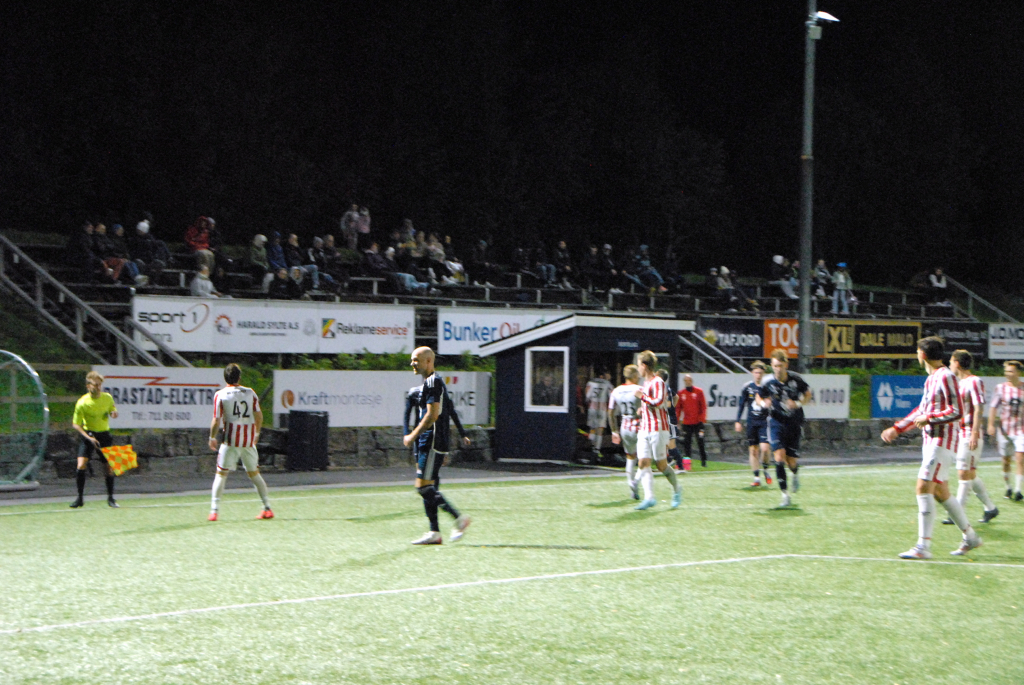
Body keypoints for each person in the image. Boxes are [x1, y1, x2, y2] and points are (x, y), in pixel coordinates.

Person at [882, 336, 982, 559]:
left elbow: (957, 411)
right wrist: (897, 428)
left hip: (942, 441)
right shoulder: (932, 379)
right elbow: (921, 411)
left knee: (923, 487)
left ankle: (923, 547)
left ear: (923, 354)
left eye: (918, 351)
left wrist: (930, 418)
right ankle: (971, 537)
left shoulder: (946, 376)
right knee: (940, 492)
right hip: (931, 441)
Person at [403, 347, 471, 544]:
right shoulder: (429, 383)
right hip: (428, 442)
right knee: (430, 487)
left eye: (416, 360)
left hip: (432, 442)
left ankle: (459, 518)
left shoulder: (434, 382)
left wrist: (412, 435)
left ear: (428, 361)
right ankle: (434, 532)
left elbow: (432, 415)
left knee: (423, 487)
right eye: (412, 360)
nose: (412, 363)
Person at [207, 363, 273, 521]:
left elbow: (216, 419)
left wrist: (212, 437)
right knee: (254, 474)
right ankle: (267, 508)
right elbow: (259, 416)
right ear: (239, 377)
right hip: (248, 441)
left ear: (225, 378)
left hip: (230, 441)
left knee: (221, 474)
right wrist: (257, 433)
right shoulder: (250, 392)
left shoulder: (221, 395)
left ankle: (214, 511)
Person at [942, 350, 998, 524]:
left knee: (963, 472)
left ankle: (956, 513)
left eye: (951, 361)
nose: (949, 365)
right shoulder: (959, 384)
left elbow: (979, 407)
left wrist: (974, 432)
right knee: (970, 474)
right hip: (960, 433)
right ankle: (990, 508)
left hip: (970, 433)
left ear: (957, 363)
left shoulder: (974, 381)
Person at [760, 349, 811, 507]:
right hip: (776, 422)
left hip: (794, 423)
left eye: (780, 366)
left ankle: (795, 474)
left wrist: (797, 403)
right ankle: (785, 495)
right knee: (779, 458)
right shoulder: (768, 382)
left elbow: (808, 394)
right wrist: (763, 403)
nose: (778, 369)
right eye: (775, 366)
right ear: (771, 365)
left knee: (791, 461)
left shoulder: (795, 379)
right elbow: (759, 396)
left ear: (786, 365)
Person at [633, 350, 681, 510]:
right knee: (643, 462)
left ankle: (677, 489)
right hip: (644, 428)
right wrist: (642, 409)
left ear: (644, 365)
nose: (638, 368)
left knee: (661, 465)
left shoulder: (658, 382)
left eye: (639, 365)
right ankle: (649, 498)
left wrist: (642, 397)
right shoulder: (645, 384)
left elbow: (659, 402)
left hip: (658, 428)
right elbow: (650, 404)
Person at [70, 371, 120, 508]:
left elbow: (112, 409)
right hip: (89, 435)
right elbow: (76, 424)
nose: (98, 387)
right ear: (88, 386)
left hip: (104, 435)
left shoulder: (107, 398)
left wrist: (113, 413)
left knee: (108, 467)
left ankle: (111, 498)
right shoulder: (82, 402)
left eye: (99, 385)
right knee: (81, 465)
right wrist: (89, 437)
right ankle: (79, 498)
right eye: (95, 385)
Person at [987, 359, 1024, 501]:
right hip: (1004, 430)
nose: (1007, 373)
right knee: (1006, 461)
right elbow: (993, 407)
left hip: (1021, 430)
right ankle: (1008, 487)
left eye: (1011, 371)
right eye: (1006, 371)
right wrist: (991, 425)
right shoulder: (1000, 388)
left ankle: (1018, 490)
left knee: (1020, 458)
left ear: (1018, 373)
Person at [735, 360, 773, 487]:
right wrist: (737, 421)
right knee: (753, 450)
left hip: (764, 422)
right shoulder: (747, 387)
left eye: (760, 373)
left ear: (763, 374)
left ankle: (766, 468)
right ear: (752, 373)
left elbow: (770, 404)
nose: (758, 375)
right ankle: (756, 478)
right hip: (752, 422)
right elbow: (742, 404)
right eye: (756, 372)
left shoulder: (768, 387)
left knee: (765, 449)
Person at [609, 365, 642, 499]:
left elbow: (610, 412)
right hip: (638, 425)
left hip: (625, 426)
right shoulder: (639, 389)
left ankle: (631, 486)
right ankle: (636, 482)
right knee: (645, 458)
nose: (639, 377)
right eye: (637, 374)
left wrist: (614, 430)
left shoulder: (616, 391)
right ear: (633, 375)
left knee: (630, 457)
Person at [676, 374, 709, 468]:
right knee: (687, 443)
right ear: (684, 382)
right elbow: (678, 408)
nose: (688, 382)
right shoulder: (681, 393)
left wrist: (702, 419)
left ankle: (704, 461)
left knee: (700, 441)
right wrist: (677, 421)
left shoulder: (699, 392)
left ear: (691, 381)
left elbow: (703, 406)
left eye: (689, 380)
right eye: (686, 380)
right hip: (687, 423)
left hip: (698, 423)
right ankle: (687, 463)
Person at [584, 369, 614, 454]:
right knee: (600, 429)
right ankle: (597, 449)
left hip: (592, 408)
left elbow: (587, 396)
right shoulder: (608, 384)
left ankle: (592, 446)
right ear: (602, 376)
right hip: (602, 409)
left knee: (592, 428)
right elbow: (612, 396)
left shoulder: (590, 383)